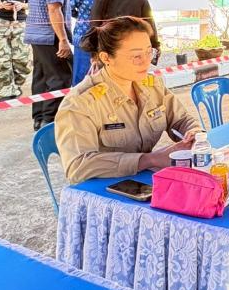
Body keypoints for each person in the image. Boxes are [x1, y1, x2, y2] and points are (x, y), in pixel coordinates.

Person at [55, 16, 200, 184]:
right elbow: (77, 166)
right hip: (103, 188)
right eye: (136, 56)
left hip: (142, 181)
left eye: (149, 52)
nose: (146, 62)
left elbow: (181, 119)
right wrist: (149, 159)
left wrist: (195, 134)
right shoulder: (81, 102)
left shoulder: (151, 85)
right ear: (106, 58)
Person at [24, 0, 80, 131]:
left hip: (36, 35)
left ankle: (38, 118)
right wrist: (63, 39)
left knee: (41, 77)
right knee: (60, 77)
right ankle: (49, 120)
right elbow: (54, 10)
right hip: (50, 36)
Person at [70, 0, 105, 86]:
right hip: (83, 36)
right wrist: (81, 17)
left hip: (103, 37)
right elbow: (68, 8)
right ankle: (78, 94)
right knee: (81, 71)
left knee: (101, 71)